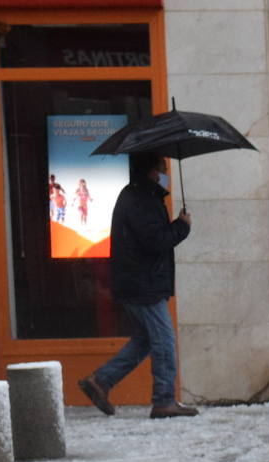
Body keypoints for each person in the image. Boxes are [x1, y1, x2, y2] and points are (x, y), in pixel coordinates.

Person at [78, 153, 197, 419]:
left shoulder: (140, 196)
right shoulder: (140, 199)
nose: (165, 173)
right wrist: (182, 226)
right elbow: (155, 240)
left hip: (138, 280)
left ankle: (101, 381)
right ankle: (164, 400)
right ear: (152, 171)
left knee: (144, 340)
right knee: (164, 339)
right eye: (162, 167)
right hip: (143, 283)